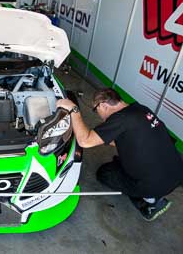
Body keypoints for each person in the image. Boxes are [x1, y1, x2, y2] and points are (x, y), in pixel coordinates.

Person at [56, 88, 183, 221]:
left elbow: (85, 141)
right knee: (118, 162)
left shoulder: (120, 119)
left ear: (103, 105)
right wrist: (101, 136)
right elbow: (124, 139)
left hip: (154, 185)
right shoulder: (140, 109)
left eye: (95, 110)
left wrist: (73, 109)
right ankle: (152, 192)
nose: (98, 115)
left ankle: (151, 202)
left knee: (105, 173)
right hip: (175, 173)